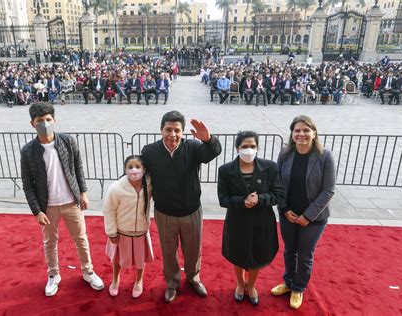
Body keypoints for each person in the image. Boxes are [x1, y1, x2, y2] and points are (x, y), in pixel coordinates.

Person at [20, 103, 104, 297]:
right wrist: (36, 211)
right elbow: (27, 184)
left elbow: (78, 168)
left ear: (54, 120)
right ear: (32, 123)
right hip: (47, 206)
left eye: (48, 119)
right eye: (40, 121)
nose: (45, 123)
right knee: (50, 242)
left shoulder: (67, 141)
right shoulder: (28, 151)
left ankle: (88, 271)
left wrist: (83, 192)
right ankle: (53, 275)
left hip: (71, 201)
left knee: (81, 239)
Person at [141, 111, 222, 303]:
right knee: (169, 252)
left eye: (177, 130)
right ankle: (172, 283)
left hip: (191, 210)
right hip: (164, 212)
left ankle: (193, 278)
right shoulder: (150, 151)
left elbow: (213, 152)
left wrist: (209, 140)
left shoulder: (193, 147)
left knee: (193, 250)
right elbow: (138, 172)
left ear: (183, 132)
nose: (172, 134)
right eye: (168, 129)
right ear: (161, 130)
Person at [271, 115, 335, 309]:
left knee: (305, 254)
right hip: (288, 214)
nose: (301, 134)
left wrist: (308, 216)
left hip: (314, 218)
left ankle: (298, 288)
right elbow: (278, 184)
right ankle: (288, 282)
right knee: (290, 251)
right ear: (292, 134)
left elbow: (328, 190)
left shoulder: (325, 156)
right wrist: (284, 208)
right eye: (297, 130)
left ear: (314, 133)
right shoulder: (284, 154)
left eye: (306, 130)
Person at [218, 131, 284, 305]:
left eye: (252, 146)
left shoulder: (270, 167)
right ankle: (240, 284)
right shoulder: (225, 170)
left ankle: (252, 285)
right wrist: (242, 202)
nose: (249, 150)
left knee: (258, 254)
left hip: (262, 221)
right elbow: (223, 199)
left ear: (258, 147)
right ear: (237, 148)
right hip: (237, 221)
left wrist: (260, 199)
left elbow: (278, 194)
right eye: (244, 146)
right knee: (238, 254)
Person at [102, 155, 154, 298]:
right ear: (125, 169)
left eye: (138, 166)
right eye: (130, 167)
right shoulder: (116, 187)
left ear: (144, 169)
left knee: (140, 259)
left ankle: (139, 281)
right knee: (117, 259)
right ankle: (115, 279)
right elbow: (108, 210)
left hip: (141, 231)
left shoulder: (149, 184)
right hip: (121, 231)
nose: (134, 170)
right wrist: (111, 232)